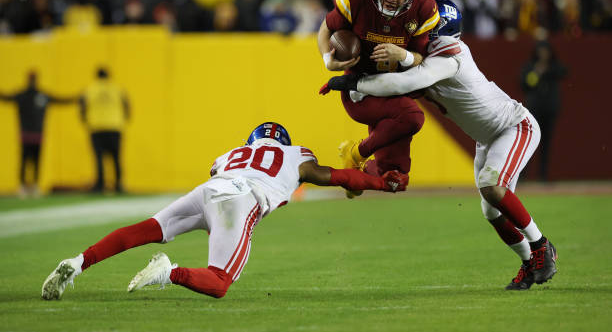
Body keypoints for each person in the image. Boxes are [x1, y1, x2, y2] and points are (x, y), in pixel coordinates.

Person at [321, 0, 558, 291]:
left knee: (492, 186)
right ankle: (529, 262)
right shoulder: (425, 54)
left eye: (425, 25)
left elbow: (404, 84)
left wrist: (355, 85)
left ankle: (541, 246)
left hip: (513, 127)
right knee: (491, 212)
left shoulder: (451, 54)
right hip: (486, 138)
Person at [41, 122, 408, 300]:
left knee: (147, 227)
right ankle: (169, 272)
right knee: (219, 282)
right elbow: (341, 176)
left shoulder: (230, 153)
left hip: (212, 187)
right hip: (241, 198)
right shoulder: (296, 154)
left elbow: (217, 177)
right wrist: (380, 183)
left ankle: (78, 261)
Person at [316, 0, 440, 198]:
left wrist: (401, 55)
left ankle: (354, 180)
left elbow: (420, 59)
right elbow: (326, 28)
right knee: (413, 116)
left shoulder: (423, 8)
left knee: (395, 178)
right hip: (360, 89)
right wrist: (328, 60)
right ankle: (356, 153)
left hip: (393, 90)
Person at [0, 71, 75, 195]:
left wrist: (75, 98)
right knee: (28, 161)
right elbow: (6, 98)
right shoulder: (28, 95)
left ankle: (31, 186)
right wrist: (76, 98)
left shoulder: (33, 95)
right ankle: (25, 186)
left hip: (33, 135)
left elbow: (60, 100)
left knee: (32, 162)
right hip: (29, 135)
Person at [520, 40, 567, 181]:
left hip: (549, 109)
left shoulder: (554, 66)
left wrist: (547, 70)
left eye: (546, 51)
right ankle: (522, 176)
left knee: (546, 143)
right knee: (529, 143)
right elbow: (526, 83)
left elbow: (564, 72)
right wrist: (537, 73)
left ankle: (543, 176)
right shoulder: (530, 67)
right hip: (534, 110)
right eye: (541, 51)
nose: (543, 54)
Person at [80, 67, 130, 193]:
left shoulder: (90, 89)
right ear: (109, 76)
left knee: (99, 157)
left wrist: (85, 121)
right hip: (114, 126)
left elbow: (82, 105)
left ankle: (100, 185)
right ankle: (119, 185)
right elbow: (127, 104)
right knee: (116, 157)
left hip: (97, 127)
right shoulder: (117, 88)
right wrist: (123, 120)